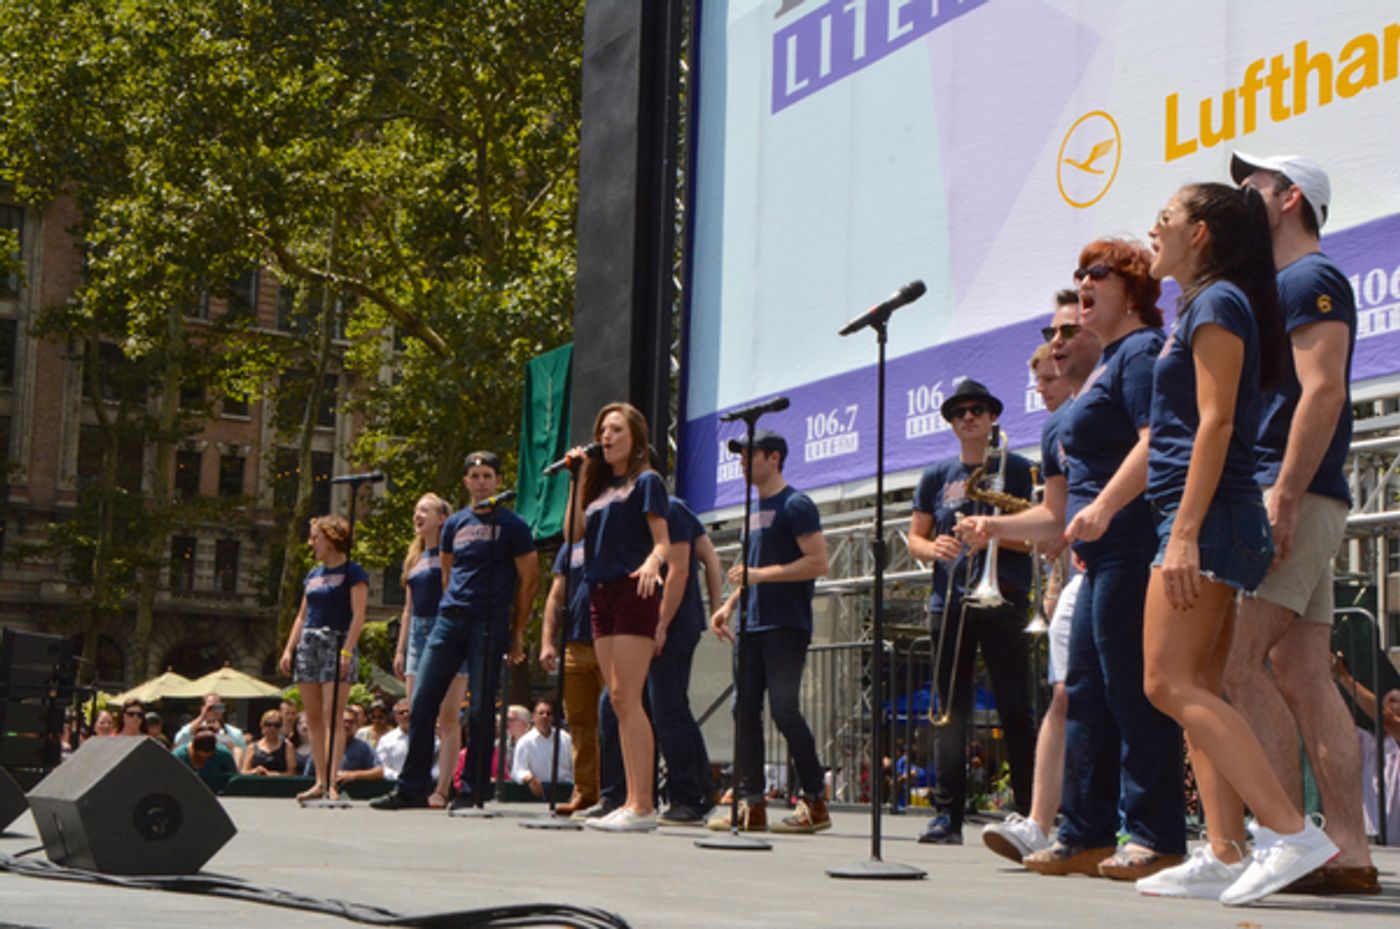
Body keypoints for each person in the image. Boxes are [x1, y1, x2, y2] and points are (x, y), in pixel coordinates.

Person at [1136, 181, 1335, 906]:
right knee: (1197, 684)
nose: (1153, 228)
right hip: (1204, 513)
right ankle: (1224, 849)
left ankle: (1289, 831)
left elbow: (1217, 423)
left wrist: (1185, 533)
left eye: (1165, 217)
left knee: (1168, 682)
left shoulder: (1218, 302)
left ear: (1201, 235)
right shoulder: (1207, 302)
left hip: (1208, 516)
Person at [1219, 152, 1375, 895]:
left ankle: (1289, 841)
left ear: (1288, 198)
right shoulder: (1285, 283)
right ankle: (1347, 849)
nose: (1239, 194)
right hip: (1300, 493)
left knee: (1236, 663)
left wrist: (1282, 493)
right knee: (1303, 674)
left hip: (1291, 494)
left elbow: (1324, 391)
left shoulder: (1308, 278)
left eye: (1251, 184)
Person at [980, 291, 1102, 862]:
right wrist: (993, 529)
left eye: (1049, 377)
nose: (1044, 386)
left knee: (1149, 695)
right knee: (1063, 696)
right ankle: (1041, 820)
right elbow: (1055, 517)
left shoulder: (1111, 396)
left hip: (1120, 563)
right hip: (1081, 574)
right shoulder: (1056, 432)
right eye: (1041, 378)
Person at [372, 451, 537, 811]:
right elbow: (447, 573)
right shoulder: (455, 524)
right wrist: (451, 606)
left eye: (487, 476)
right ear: (465, 482)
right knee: (421, 702)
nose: (481, 482)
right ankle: (411, 787)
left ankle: (472, 789)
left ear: (498, 480)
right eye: (474, 476)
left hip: (489, 622)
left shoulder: (513, 525)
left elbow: (529, 580)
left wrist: (517, 631)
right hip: (449, 620)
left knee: (479, 708)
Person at [908, 380, 1036, 845]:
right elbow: (915, 537)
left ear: (992, 417)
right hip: (950, 600)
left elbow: (1039, 535)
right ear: (950, 423)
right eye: (959, 412)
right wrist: (933, 549)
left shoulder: (1017, 469)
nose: (968, 417)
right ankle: (947, 815)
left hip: (1004, 597)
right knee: (949, 711)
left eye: (977, 409)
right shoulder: (936, 475)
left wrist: (994, 536)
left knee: (1016, 708)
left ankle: (1031, 814)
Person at [563, 403, 681, 833]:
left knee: (628, 697)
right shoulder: (599, 488)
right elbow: (572, 534)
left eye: (615, 430)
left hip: (634, 589)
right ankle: (631, 799)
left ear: (635, 439)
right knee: (616, 699)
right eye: (602, 430)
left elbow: (663, 541)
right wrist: (578, 479)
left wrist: (653, 561)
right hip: (599, 593)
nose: (606, 436)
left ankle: (643, 804)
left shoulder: (646, 481)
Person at [706, 428, 831, 834]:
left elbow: (818, 562)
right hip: (751, 625)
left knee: (784, 709)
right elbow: (751, 572)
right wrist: (728, 606)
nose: (742, 462)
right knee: (743, 711)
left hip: (785, 624)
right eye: (740, 456)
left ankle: (815, 799)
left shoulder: (796, 504)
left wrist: (761, 575)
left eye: (750, 454)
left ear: (774, 458)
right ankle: (751, 803)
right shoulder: (752, 510)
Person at [594, 478, 722, 826]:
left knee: (668, 706)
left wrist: (674, 620)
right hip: (640, 621)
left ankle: (691, 797)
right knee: (619, 703)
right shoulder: (626, 516)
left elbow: (686, 566)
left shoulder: (672, 509)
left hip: (672, 624)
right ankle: (625, 795)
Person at [278, 514, 370, 803]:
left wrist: (347, 650)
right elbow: (302, 615)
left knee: (333, 715)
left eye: (315, 537)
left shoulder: (353, 572)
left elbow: (359, 615)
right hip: (310, 642)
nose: (311, 543)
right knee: (314, 717)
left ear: (330, 539)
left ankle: (332, 780)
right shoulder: (313, 575)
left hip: (337, 640)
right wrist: (289, 649)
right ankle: (318, 779)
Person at [392, 492, 462, 807]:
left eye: (425, 510)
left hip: (446, 629)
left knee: (447, 717)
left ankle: (443, 788)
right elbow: (408, 609)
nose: (417, 515)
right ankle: (414, 784)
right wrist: (400, 649)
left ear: (442, 519)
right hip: (418, 635)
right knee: (418, 714)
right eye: (415, 510)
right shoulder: (415, 559)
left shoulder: (453, 554)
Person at [540, 537, 603, 816]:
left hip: (609, 641)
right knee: (579, 722)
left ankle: (614, 792)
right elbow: (556, 596)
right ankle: (585, 792)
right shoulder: (570, 547)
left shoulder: (614, 532)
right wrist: (547, 642)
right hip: (573, 643)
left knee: (612, 720)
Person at [1331, 657, 1400, 847]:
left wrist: (1344, 678)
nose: (1387, 705)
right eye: (1385, 701)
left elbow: (1386, 719)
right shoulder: (1367, 743)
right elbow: (1334, 721)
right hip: (1368, 845)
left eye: (1395, 701)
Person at [511, 699, 574, 799]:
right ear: (533, 717)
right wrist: (530, 779)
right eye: (541, 713)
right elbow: (517, 771)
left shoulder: (565, 738)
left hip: (565, 791)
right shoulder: (525, 742)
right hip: (538, 794)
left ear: (553, 717)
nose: (545, 716)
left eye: (548, 713)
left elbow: (573, 766)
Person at [304, 709, 383, 787]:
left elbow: (379, 772)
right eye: (344, 721)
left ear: (356, 726)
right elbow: (307, 776)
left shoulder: (364, 747)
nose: (347, 725)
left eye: (351, 722)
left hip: (354, 792)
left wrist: (353, 775)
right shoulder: (323, 747)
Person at [173, 694, 247, 752]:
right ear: (202, 709)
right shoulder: (195, 730)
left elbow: (241, 756)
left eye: (218, 707)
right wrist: (201, 717)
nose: (215, 711)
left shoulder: (236, 734)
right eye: (211, 708)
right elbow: (179, 740)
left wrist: (220, 734)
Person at [174, 727, 239, 792]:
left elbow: (233, 779)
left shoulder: (223, 754)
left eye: (207, 758)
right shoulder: (179, 756)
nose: (203, 760)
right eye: (200, 757)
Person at [240, 708, 296, 775]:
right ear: (261, 724)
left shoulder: (288, 747)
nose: (272, 728)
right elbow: (244, 772)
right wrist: (255, 771)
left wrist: (275, 775)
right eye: (268, 724)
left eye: (276, 725)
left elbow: (292, 772)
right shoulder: (252, 747)